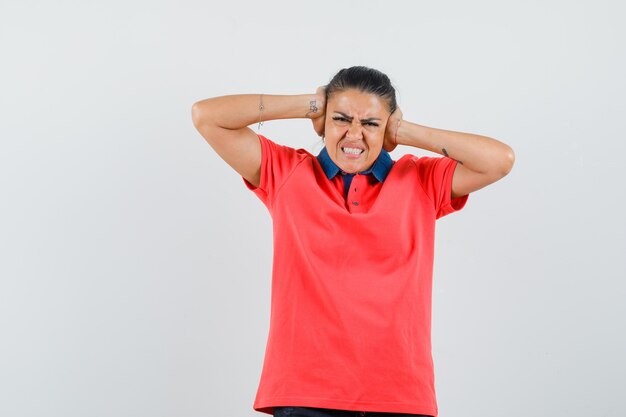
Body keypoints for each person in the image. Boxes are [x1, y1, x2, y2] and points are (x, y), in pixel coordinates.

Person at [191, 66, 515, 417]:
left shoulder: (420, 180)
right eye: (341, 119)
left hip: (399, 394)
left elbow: (499, 161)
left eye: (371, 124)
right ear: (324, 122)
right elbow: (207, 116)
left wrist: (403, 130)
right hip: (305, 392)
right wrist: (311, 104)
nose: (354, 134)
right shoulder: (287, 173)